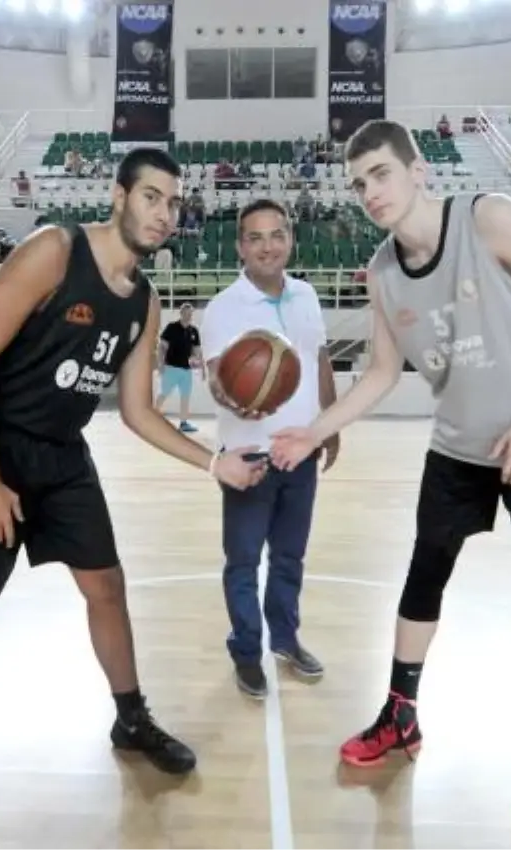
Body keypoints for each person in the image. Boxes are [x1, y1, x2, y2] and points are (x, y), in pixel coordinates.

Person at [0, 148, 266, 834]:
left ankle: (130, 718)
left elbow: (137, 412)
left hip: (63, 455)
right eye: (152, 198)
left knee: (107, 585)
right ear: (118, 195)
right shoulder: (54, 252)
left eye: (174, 203)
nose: (165, 214)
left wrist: (214, 462)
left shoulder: (144, 299)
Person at [270, 119, 511, 828]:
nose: (370, 193)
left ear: (419, 171)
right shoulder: (385, 273)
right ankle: (400, 714)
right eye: (359, 184)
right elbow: (383, 372)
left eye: (381, 174)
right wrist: (313, 432)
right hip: (458, 448)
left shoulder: (488, 218)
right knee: (423, 578)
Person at [201, 199, 338, 698]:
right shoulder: (222, 309)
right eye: (255, 237)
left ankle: (285, 638)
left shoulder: (306, 295)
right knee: (242, 561)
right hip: (248, 458)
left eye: (276, 235)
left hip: (299, 452)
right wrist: (237, 400)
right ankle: (246, 651)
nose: (267, 246)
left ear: (290, 239)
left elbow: (319, 361)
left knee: (289, 557)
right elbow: (218, 378)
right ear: (240, 246)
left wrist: (329, 425)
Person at [155, 302, 201, 432]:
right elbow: (161, 347)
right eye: (186, 313)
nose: (188, 316)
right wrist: (160, 363)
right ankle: (153, 417)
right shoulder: (171, 327)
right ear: (181, 313)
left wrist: (200, 364)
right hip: (171, 368)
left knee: (185, 396)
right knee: (163, 393)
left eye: (190, 313)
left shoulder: (194, 331)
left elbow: (197, 350)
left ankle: (184, 423)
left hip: (186, 370)